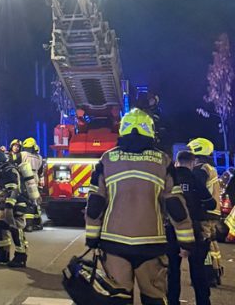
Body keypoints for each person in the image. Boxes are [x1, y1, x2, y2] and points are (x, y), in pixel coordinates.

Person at [85, 109, 195, 305]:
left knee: (117, 299)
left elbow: (95, 203)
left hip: (114, 244)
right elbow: (175, 205)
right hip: (151, 245)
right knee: (154, 299)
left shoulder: (107, 159)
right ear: (150, 131)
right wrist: (186, 241)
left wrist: (92, 238)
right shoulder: (162, 161)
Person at [167, 151, 216, 305]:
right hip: (194, 231)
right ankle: (203, 301)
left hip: (171, 230)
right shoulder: (194, 179)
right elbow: (211, 203)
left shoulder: (168, 180)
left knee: (172, 271)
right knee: (198, 270)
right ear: (192, 162)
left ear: (177, 162)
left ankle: (172, 301)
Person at [188, 137, 224, 287]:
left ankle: (207, 275)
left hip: (203, 212)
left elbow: (198, 189)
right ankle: (216, 271)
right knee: (212, 243)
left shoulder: (200, 169)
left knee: (204, 244)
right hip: (213, 212)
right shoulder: (210, 168)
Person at [20, 138, 45, 231]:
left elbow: (13, 160)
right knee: (35, 202)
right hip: (35, 179)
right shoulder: (39, 158)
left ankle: (28, 225)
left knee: (27, 201)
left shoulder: (22, 155)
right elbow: (41, 172)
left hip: (26, 178)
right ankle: (38, 223)